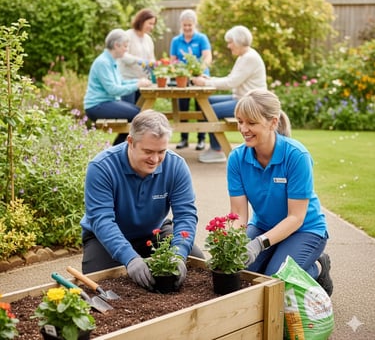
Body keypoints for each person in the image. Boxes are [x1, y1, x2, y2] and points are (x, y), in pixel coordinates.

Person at [80, 109, 204, 290]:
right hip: (103, 238)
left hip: (154, 233)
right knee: (100, 287)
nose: (155, 159)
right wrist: (129, 258)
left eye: (161, 151)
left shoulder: (176, 166)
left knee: (198, 268)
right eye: (148, 151)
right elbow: (102, 220)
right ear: (130, 142)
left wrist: (179, 254)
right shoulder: (101, 167)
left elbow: (186, 215)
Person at [227, 90, 333, 296]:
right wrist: (229, 244)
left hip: (305, 230)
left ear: (272, 123)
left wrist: (258, 244)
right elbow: (239, 214)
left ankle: (316, 269)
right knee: (235, 272)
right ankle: (280, 253)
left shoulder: (296, 156)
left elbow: (296, 217)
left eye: (251, 122)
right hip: (264, 226)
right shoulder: (237, 158)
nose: (243, 129)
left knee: (275, 280)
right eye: (240, 121)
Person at [192, 25, 267, 163]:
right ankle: (215, 147)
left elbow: (231, 82)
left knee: (210, 110)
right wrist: (209, 79)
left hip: (251, 103)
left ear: (238, 41)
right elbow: (231, 78)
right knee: (207, 103)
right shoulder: (243, 56)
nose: (228, 45)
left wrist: (205, 83)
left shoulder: (249, 58)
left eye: (230, 42)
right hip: (241, 98)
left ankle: (217, 150)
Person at [84, 28, 152, 146]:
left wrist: (138, 81)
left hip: (106, 103)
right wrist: (137, 85)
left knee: (138, 114)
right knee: (138, 115)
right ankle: (116, 149)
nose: (126, 50)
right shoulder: (103, 63)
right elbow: (113, 89)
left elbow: (120, 82)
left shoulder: (111, 61)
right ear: (116, 45)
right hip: (97, 106)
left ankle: (116, 148)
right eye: (125, 46)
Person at [170, 9, 212, 151]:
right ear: (181, 24)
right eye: (185, 25)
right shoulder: (176, 41)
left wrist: (198, 70)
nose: (187, 28)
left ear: (195, 24)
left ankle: (201, 139)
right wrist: (180, 71)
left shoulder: (201, 38)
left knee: (201, 107)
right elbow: (173, 61)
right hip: (183, 78)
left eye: (190, 25)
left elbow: (207, 57)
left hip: (200, 77)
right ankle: (184, 139)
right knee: (183, 107)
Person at [117, 9, 157, 104]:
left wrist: (152, 64)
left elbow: (151, 57)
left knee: (140, 111)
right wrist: (139, 61)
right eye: (149, 23)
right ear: (141, 21)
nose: (152, 27)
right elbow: (122, 55)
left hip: (143, 81)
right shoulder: (127, 35)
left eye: (153, 24)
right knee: (128, 112)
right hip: (128, 80)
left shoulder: (148, 39)